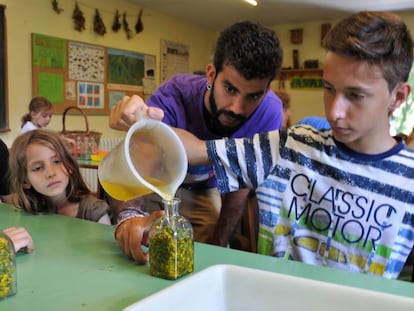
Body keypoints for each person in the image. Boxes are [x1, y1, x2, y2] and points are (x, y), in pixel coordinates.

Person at [112, 11, 414, 279]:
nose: (334, 111)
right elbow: (194, 148)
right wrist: (141, 123)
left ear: (399, 97)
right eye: (328, 88)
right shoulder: (290, 146)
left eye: (356, 95)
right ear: (210, 74)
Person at [110, 20, 284, 253]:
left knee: (204, 250)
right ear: (211, 75)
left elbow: (240, 185)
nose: (237, 108)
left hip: (209, 187)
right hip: (158, 179)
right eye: (230, 89)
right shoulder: (173, 95)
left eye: (253, 96)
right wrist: (129, 216)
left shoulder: (269, 112)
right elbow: (139, 164)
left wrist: (218, 246)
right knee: (139, 240)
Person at [8, 129, 111, 224]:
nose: (51, 173)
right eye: (38, 168)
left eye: (57, 161)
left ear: (69, 166)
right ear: (25, 181)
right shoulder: (28, 211)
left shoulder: (94, 210)